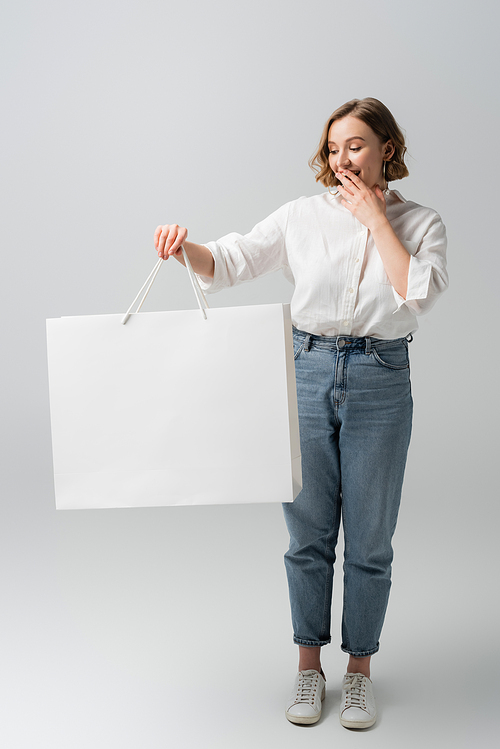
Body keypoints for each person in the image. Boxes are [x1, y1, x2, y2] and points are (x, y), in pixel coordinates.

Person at [153, 98, 448, 730]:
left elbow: (416, 292)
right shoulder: (301, 216)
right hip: (306, 370)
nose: (343, 158)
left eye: (358, 145)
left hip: (380, 376)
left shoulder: (422, 223)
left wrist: (375, 221)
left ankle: (360, 673)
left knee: (370, 539)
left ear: (387, 149)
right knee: (308, 535)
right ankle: (309, 670)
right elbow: (230, 262)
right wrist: (185, 248)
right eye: (335, 146)